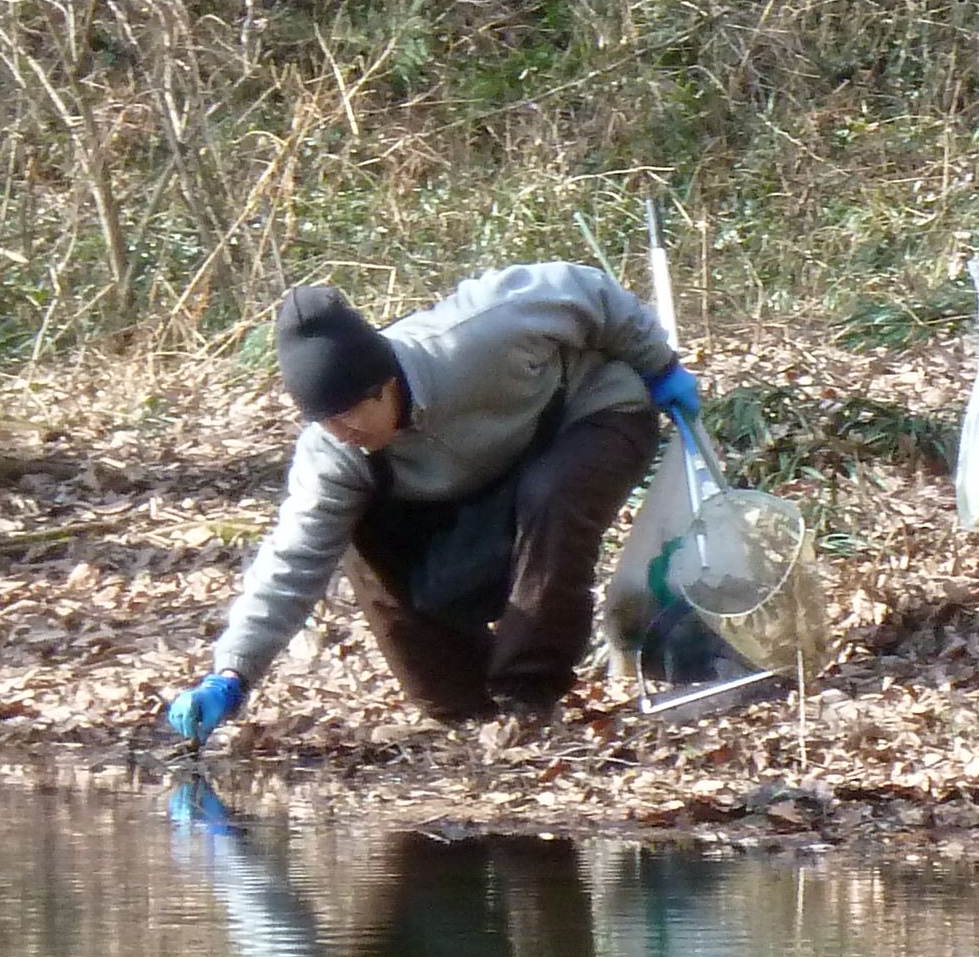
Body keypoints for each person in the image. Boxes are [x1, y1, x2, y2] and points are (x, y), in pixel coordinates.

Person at [160, 265, 709, 742]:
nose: (341, 432)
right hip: (482, 484)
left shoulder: (478, 333)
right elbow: (291, 560)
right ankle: (464, 708)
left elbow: (587, 290)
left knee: (552, 496)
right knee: (356, 537)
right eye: (324, 421)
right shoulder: (334, 452)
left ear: (384, 385)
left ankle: (529, 699)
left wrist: (659, 366)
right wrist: (231, 674)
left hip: (590, 417)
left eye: (349, 414)